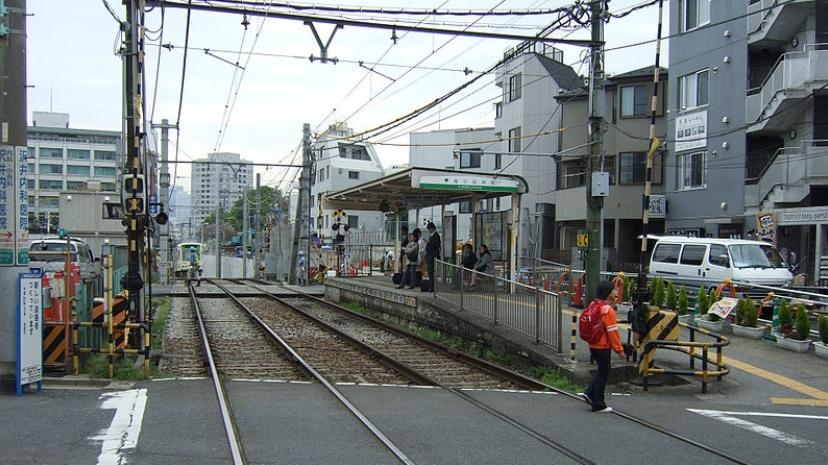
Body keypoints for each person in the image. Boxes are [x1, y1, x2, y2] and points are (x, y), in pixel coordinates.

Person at [580, 281, 625, 413]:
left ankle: (589, 394)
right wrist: (619, 350)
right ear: (608, 293)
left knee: (602, 371)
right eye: (613, 290)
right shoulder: (607, 310)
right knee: (604, 373)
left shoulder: (593, 304)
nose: (616, 292)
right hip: (603, 346)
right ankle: (598, 403)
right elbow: (613, 333)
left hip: (592, 344)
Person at [424, 222, 441, 291]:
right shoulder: (432, 236)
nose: (429, 231)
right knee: (430, 272)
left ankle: (432, 287)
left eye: (429, 229)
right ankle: (431, 286)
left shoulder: (436, 235)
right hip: (430, 256)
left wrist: (428, 243)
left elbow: (436, 245)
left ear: (433, 228)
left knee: (432, 272)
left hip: (432, 256)